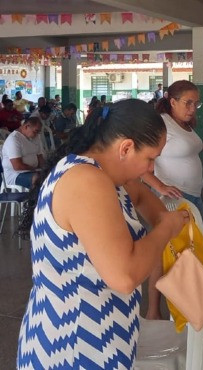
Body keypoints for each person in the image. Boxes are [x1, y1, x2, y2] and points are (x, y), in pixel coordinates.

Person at [16, 99, 190, 368]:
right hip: (74, 345)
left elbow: (141, 194)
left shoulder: (105, 176)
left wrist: (161, 217)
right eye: (150, 158)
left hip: (100, 336)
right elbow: (124, 275)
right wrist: (166, 228)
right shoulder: (86, 181)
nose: (151, 169)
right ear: (126, 148)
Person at [142, 80, 203, 219]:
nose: (193, 108)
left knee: (196, 239)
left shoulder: (183, 123)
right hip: (173, 197)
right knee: (179, 240)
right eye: (188, 103)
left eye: (196, 103)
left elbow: (187, 146)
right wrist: (160, 187)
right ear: (173, 102)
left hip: (194, 195)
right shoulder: (162, 124)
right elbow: (139, 163)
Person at [1, 117, 45, 188]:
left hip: (33, 170)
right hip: (16, 174)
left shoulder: (35, 136)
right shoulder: (14, 139)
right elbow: (17, 166)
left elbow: (39, 156)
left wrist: (45, 168)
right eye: (35, 131)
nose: (37, 134)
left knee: (50, 173)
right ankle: (35, 198)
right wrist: (35, 169)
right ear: (26, 126)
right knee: (37, 178)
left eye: (38, 132)